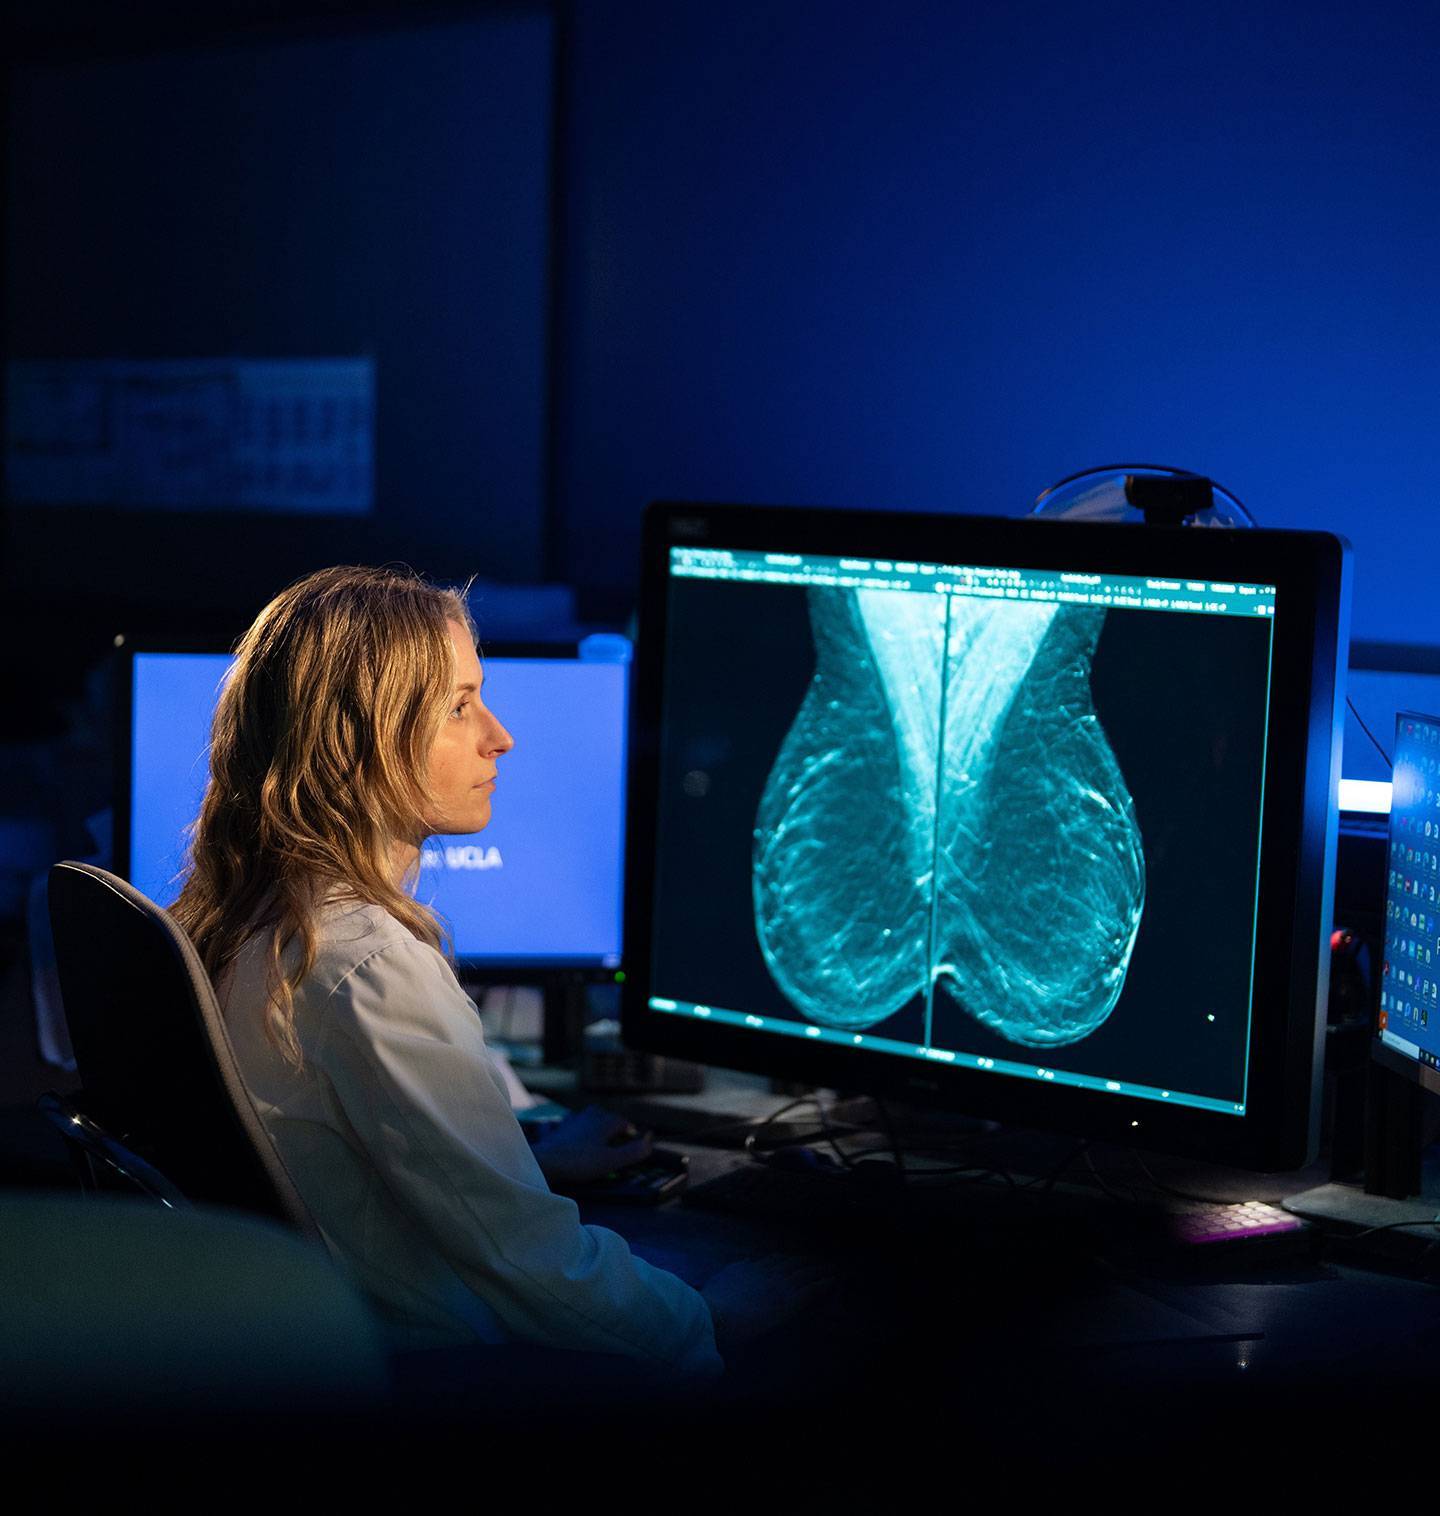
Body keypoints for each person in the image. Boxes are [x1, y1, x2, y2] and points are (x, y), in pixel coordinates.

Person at [170, 564, 829, 1391]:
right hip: (437, 1378)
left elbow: (358, 1162)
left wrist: (527, 1164)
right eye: (458, 705)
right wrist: (712, 1327)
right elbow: (536, 1268)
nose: (498, 735)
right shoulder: (369, 967)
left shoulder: (253, 916)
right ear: (359, 738)